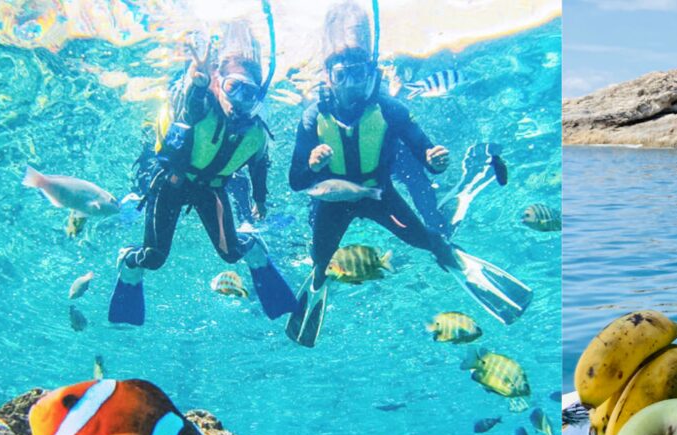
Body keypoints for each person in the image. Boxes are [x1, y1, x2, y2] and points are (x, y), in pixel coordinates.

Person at [282, 3, 529, 347]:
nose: (352, 85)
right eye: (342, 75)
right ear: (328, 78)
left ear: (372, 74)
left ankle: (451, 257)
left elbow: (425, 155)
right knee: (321, 259)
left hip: (381, 196)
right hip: (333, 202)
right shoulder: (312, 117)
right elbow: (295, 182)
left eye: (359, 75)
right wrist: (310, 163)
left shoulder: (390, 108)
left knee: (426, 240)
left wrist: (435, 160)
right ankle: (318, 280)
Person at [109, 21, 295, 326]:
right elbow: (190, 103)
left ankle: (254, 249)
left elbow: (259, 166)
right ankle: (128, 264)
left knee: (231, 254)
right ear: (218, 83)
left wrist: (259, 202)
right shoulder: (202, 106)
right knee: (154, 259)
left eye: (248, 95)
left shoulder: (256, 135)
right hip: (171, 183)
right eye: (232, 88)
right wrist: (197, 79)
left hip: (211, 189)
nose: (238, 102)